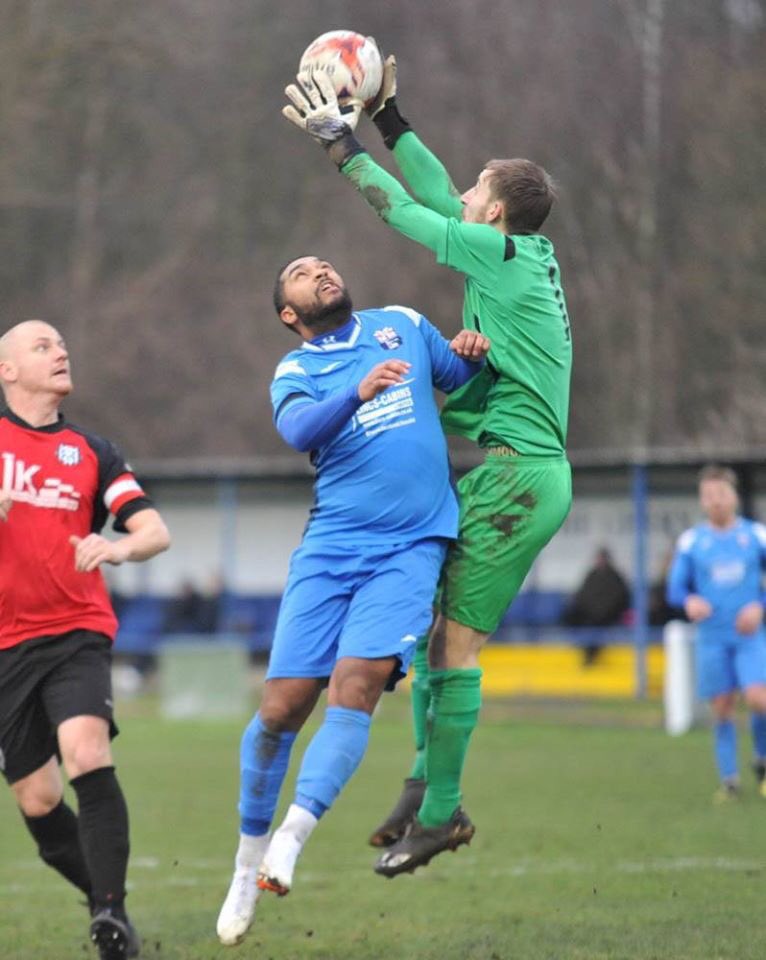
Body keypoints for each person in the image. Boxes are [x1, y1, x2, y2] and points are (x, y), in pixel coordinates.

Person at [282, 57, 573, 875]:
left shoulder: (501, 257)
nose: (467, 196)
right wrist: (391, 115)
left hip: (522, 477)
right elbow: (440, 193)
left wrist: (346, 151)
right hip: (509, 471)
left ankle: (442, 812)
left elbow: (410, 213)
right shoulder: (513, 253)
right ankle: (423, 787)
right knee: (430, 629)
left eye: (480, 191)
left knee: (452, 647)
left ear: (500, 213)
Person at [215, 256, 490, 945]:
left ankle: (292, 839)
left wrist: (471, 351)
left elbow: (455, 377)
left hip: (412, 546)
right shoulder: (295, 370)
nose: (320, 270)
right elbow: (300, 433)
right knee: (281, 708)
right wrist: (358, 393)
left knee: (357, 685)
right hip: (332, 546)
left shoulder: (401, 323)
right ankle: (246, 862)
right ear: (290, 313)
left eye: (323, 264)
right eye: (301, 274)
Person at [0, 320, 171, 959]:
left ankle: (110, 915)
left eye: (62, 344)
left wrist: (118, 547)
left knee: (86, 753)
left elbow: (155, 531)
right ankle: (103, 894)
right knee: (39, 799)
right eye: (42, 346)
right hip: (5, 648)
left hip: (77, 631)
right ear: (8, 370)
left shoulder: (92, 451)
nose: (60, 351)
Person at [666, 464, 766, 803]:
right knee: (722, 708)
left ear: (734, 497)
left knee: (758, 700)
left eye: (721, 494)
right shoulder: (693, 541)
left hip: (750, 637)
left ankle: (762, 763)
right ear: (702, 500)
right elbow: (675, 589)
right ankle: (730, 782)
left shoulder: (756, 536)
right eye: (708, 496)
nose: (715, 501)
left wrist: (760, 606)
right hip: (712, 637)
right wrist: (690, 600)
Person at [563, 547, 631, 665]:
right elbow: (582, 595)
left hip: (608, 616)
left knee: (594, 625)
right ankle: (576, 644)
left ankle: (590, 657)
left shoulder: (615, 577)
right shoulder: (591, 574)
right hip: (589, 614)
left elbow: (620, 600)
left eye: (602, 558)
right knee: (569, 614)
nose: (599, 561)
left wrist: (600, 610)